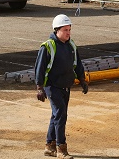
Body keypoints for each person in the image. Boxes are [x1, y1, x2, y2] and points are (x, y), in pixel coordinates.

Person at [34, 14, 87, 159]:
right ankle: (61, 149)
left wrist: (82, 80)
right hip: (52, 86)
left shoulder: (71, 45)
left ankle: (49, 146)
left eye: (69, 30)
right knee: (61, 115)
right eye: (65, 30)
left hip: (66, 86)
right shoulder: (48, 46)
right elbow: (39, 67)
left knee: (56, 115)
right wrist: (40, 87)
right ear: (57, 30)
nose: (68, 33)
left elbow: (78, 64)